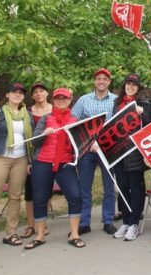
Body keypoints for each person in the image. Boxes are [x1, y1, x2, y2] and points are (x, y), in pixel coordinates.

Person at [25, 87, 85, 249]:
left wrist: (89, 145)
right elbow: (34, 142)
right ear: (53, 101)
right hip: (42, 162)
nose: (61, 101)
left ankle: (74, 234)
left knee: (75, 195)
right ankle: (39, 236)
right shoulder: (46, 119)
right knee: (40, 198)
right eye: (58, 99)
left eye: (64, 99)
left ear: (69, 101)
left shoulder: (74, 120)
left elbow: (79, 145)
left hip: (65, 163)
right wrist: (44, 133)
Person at [0, 82, 33, 251]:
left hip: (20, 159)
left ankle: (11, 233)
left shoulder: (27, 115)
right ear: (7, 95)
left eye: (21, 92)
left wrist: (30, 160)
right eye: (14, 92)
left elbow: (31, 139)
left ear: (23, 96)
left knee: (15, 197)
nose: (17, 94)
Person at [71, 68, 117, 235]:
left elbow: (118, 124)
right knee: (85, 187)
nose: (102, 81)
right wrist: (87, 142)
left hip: (108, 149)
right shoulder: (83, 100)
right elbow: (72, 122)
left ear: (109, 82)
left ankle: (108, 221)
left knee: (109, 187)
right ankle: (84, 223)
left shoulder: (115, 100)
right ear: (94, 81)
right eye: (99, 79)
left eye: (105, 79)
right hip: (87, 150)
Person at [111, 74, 151, 242]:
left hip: (134, 152)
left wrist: (142, 113)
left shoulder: (144, 103)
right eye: (128, 83)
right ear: (124, 86)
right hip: (119, 152)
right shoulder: (117, 104)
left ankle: (134, 223)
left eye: (134, 84)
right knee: (122, 187)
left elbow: (149, 123)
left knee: (135, 187)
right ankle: (126, 221)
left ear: (138, 87)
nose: (131, 87)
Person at [22, 82, 52, 239]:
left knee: (45, 191)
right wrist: (28, 160)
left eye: (42, 91)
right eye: (36, 92)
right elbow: (26, 138)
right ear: (32, 96)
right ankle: (30, 225)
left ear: (47, 93)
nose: (39, 93)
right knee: (30, 192)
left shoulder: (55, 110)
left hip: (50, 155)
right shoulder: (27, 113)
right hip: (33, 156)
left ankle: (43, 223)